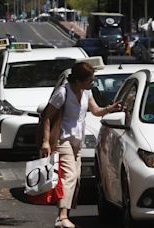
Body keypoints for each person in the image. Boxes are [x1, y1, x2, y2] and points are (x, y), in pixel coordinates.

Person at [40, 62, 121, 228]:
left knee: (76, 178)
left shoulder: (86, 92)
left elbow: (96, 111)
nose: (92, 84)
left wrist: (110, 109)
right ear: (78, 81)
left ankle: (64, 215)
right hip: (63, 139)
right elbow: (47, 116)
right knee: (69, 176)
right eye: (89, 81)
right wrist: (45, 142)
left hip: (78, 139)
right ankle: (62, 217)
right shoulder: (63, 92)